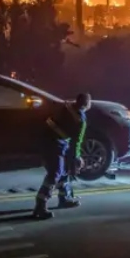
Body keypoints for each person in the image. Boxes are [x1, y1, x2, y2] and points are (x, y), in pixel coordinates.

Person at [33, 92, 92, 220]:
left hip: (47, 139)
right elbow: (77, 142)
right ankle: (40, 205)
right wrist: (76, 158)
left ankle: (64, 198)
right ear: (87, 104)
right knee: (56, 172)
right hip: (55, 143)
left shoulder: (65, 106)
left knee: (63, 170)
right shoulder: (80, 120)